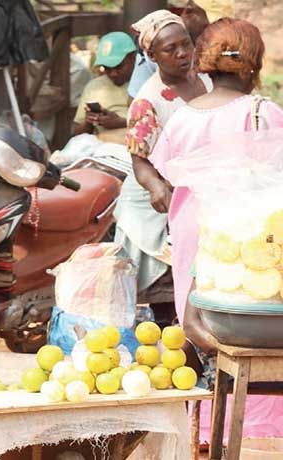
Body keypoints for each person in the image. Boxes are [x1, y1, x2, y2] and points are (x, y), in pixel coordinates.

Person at [147, 16, 283, 444]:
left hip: (193, 233)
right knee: (255, 325)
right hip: (250, 237)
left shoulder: (182, 118)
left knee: (205, 326)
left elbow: (165, 174)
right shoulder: (264, 113)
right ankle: (262, 429)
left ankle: (205, 428)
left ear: (205, 63)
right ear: (255, 65)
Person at [115, 10, 212, 326]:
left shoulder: (208, 82)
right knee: (163, 296)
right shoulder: (148, 101)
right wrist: (157, 187)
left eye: (186, 44)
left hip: (195, 196)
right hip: (152, 206)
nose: (183, 53)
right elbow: (139, 161)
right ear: (152, 55)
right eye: (171, 49)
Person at [73, 32, 137, 136]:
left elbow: (161, 124)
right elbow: (76, 133)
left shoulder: (147, 83)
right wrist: (89, 122)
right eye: (107, 68)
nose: (113, 74)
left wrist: (122, 123)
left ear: (133, 58)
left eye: (118, 67)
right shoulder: (94, 87)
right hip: (101, 147)